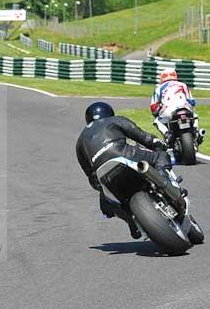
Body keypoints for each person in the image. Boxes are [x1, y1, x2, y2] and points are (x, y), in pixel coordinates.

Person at [75, 102, 172, 239]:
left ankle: (131, 221)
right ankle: (165, 185)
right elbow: (142, 136)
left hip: (103, 175)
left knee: (107, 205)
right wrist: (158, 143)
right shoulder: (115, 120)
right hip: (124, 155)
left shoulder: (80, 141)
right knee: (160, 157)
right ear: (109, 113)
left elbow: (90, 176)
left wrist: (102, 192)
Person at [150, 69, 198, 144]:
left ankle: (167, 134)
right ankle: (196, 131)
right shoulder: (183, 85)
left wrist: (159, 108)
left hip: (168, 111)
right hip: (184, 108)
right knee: (194, 115)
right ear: (175, 76)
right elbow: (192, 101)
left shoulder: (158, 88)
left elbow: (153, 108)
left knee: (157, 121)